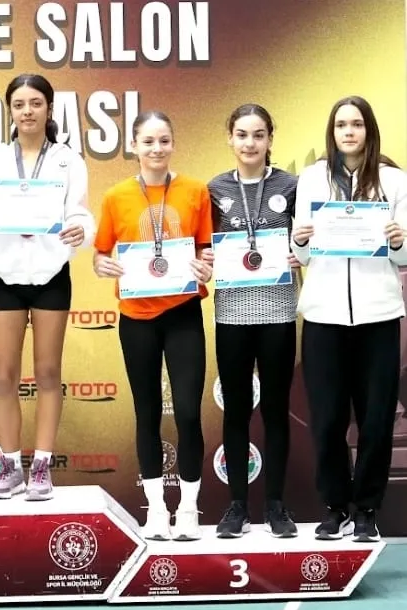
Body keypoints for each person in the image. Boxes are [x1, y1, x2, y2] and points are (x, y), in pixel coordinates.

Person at [0, 74, 96, 501]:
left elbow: (78, 214)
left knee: (48, 373)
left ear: (49, 109)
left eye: (36, 103)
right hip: (5, 275)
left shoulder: (68, 161)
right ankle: (9, 468)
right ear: (10, 110)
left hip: (50, 274)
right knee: (3, 375)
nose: (27, 111)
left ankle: (41, 468)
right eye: (19, 104)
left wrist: (80, 230)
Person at [291, 95, 407, 542]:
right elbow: (302, 254)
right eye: (341, 125)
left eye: (356, 124)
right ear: (332, 131)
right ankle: (335, 507)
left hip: (379, 316)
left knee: (375, 421)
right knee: (327, 420)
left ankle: (367, 510)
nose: (349, 132)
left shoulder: (394, 181)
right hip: (324, 316)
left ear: (368, 130)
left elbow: (404, 256)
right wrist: (301, 239)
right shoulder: (312, 179)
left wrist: (398, 241)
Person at [93, 111, 214, 541]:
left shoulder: (195, 191)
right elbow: (101, 254)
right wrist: (102, 265)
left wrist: (205, 265)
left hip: (183, 313)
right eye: (148, 142)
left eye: (164, 140)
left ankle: (190, 509)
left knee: (187, 412)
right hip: (136, 318)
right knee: (146, 413)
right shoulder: (116, 196)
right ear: (134, 146)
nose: (156, 149)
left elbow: (206, 249)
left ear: (173, 143)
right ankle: (157, 510)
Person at [207, 104, 300, 538]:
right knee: (236, 411)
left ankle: (277, 506)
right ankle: (238, 507)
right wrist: (203, 257)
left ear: (270, 139)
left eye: (258, 135)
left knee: (277, 409)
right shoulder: (215, 188)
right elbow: (200, 244)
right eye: (242, 134)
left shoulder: (290, 185)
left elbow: (310, 238)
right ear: (230, 137)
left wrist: (303, 253)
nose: (250, 143)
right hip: (232, 314)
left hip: (278, 311)